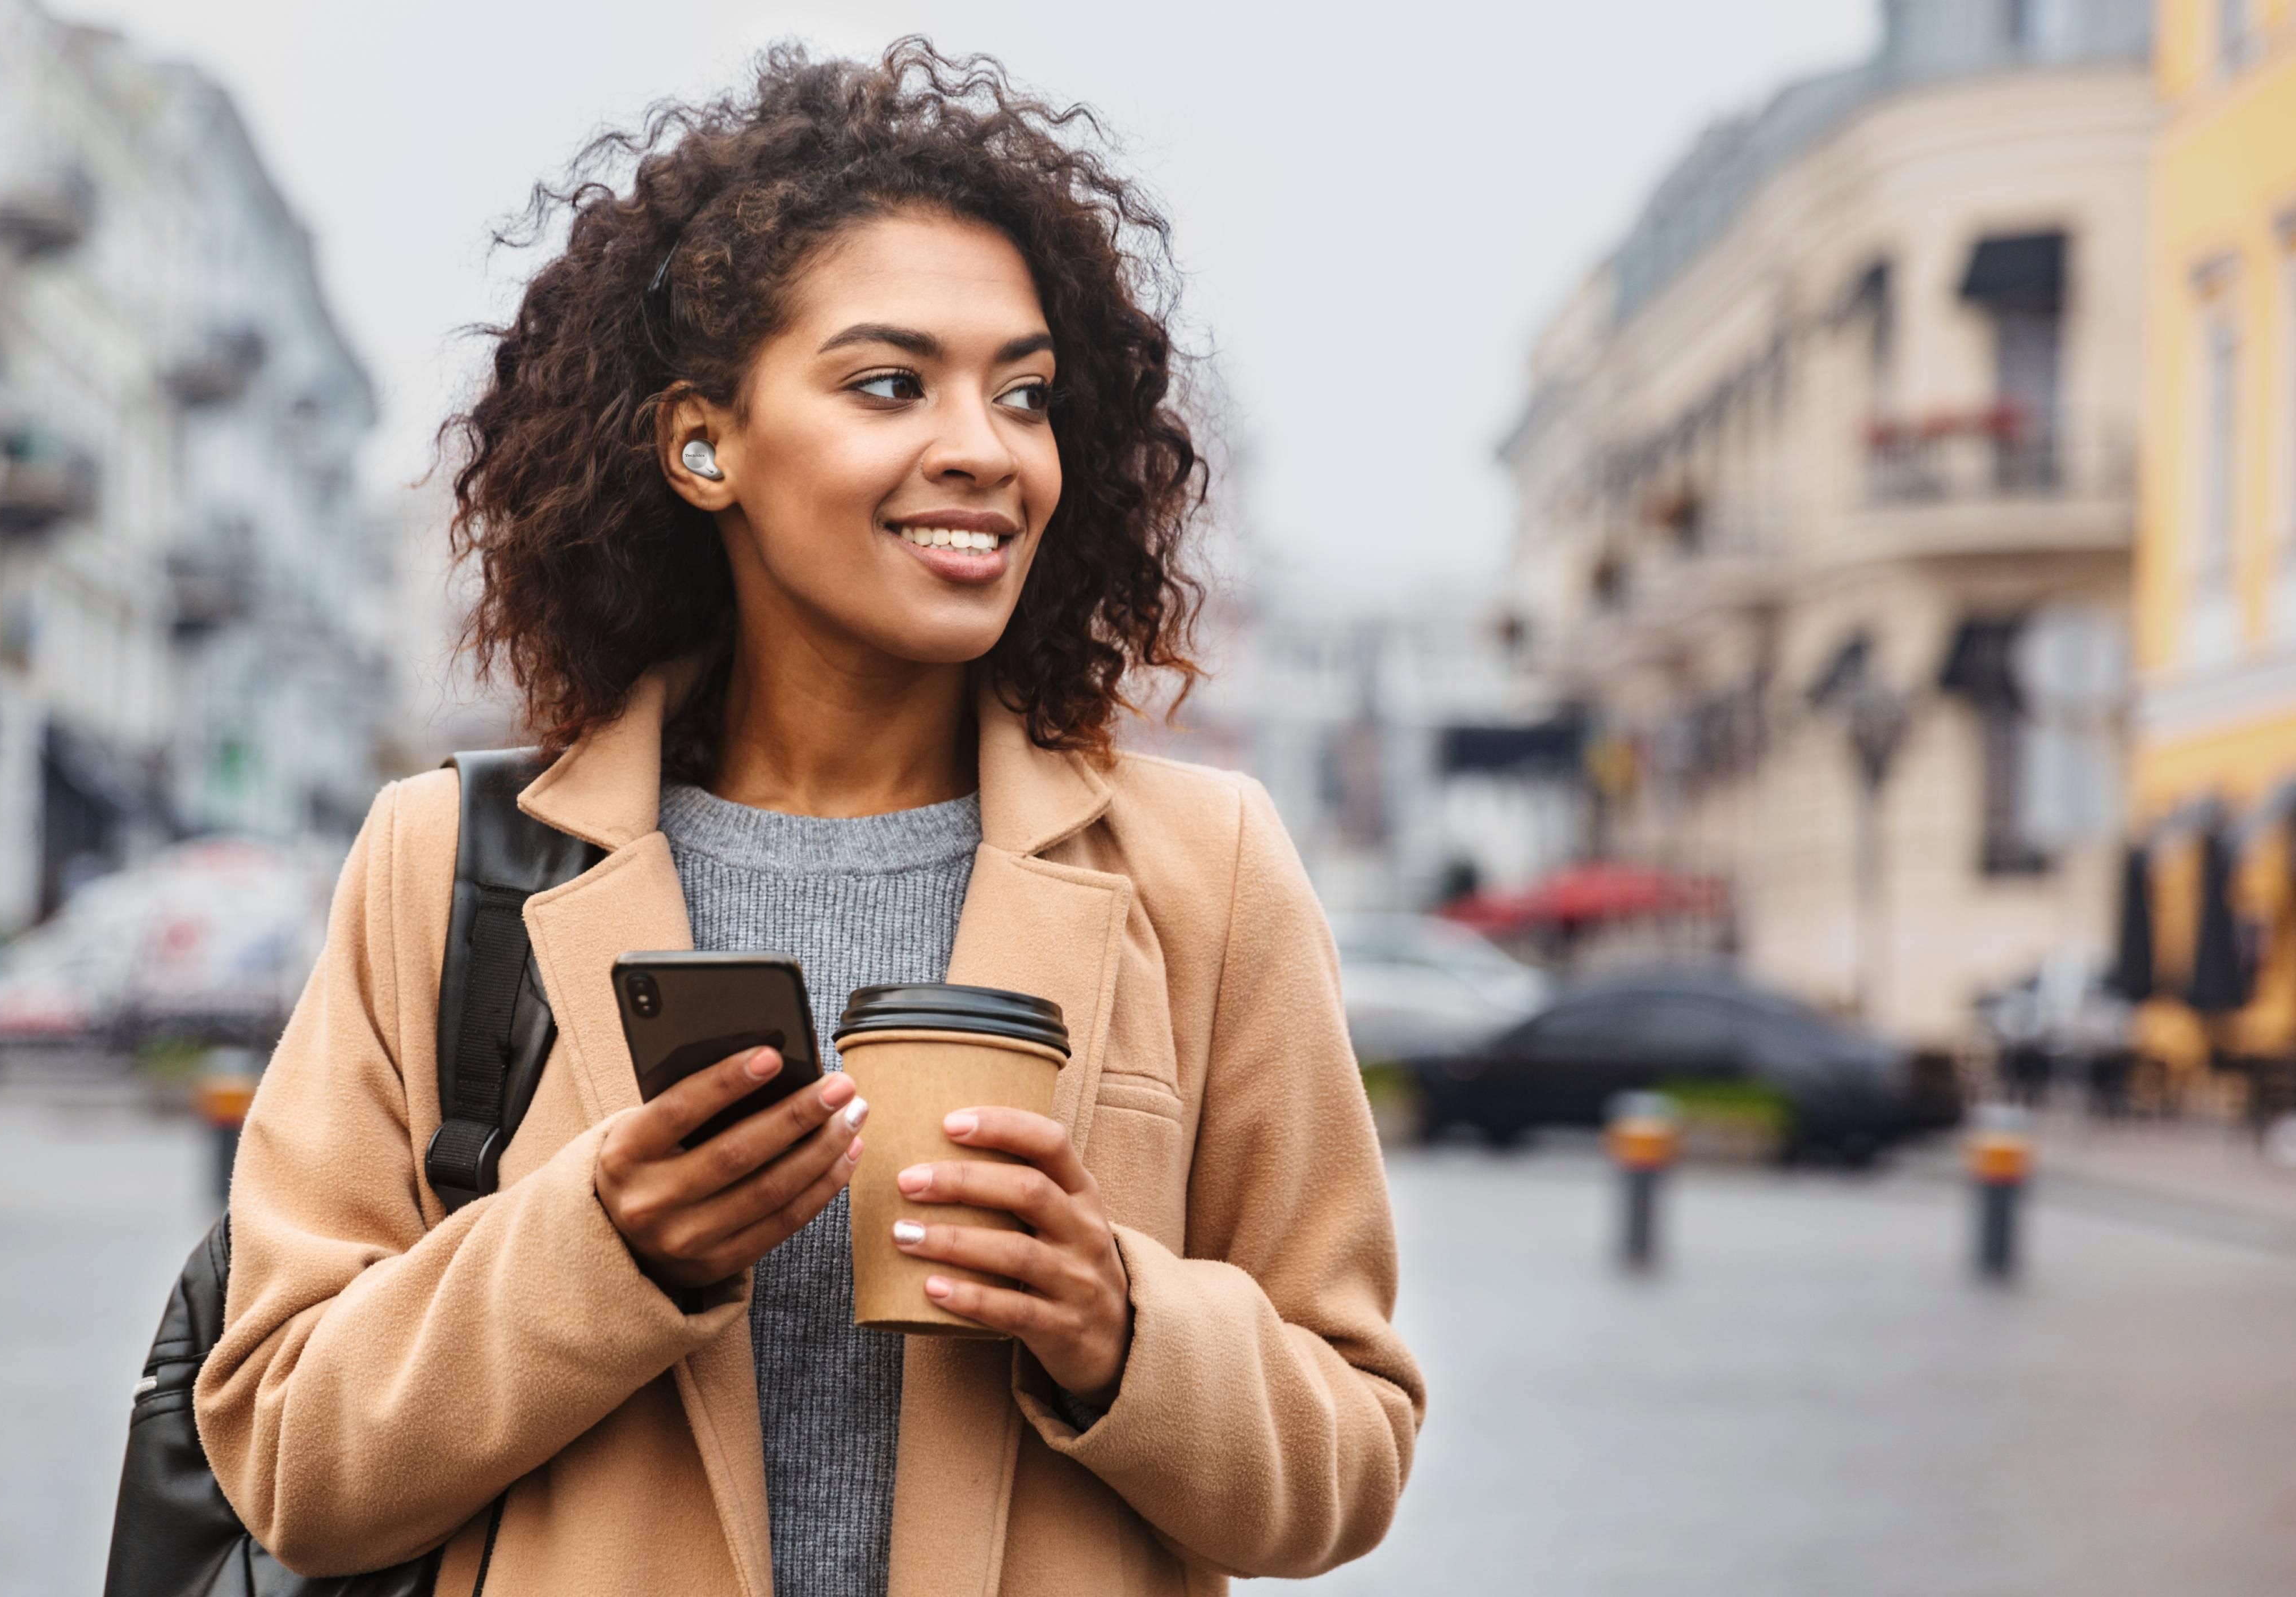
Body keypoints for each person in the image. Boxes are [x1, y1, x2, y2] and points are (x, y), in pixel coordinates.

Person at [195, 40, 1422, 1596]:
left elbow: (1351, 1460)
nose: (985, 446)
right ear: (704, 441)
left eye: (1027, 392)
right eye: (891, 382)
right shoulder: (448, 864)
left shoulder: (1209, 871)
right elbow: (292, 1462)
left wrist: (1120, 1325)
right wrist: (608, 1246)